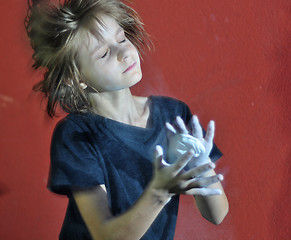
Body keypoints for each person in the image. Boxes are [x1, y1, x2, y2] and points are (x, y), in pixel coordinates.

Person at [25, 0, 229, 239]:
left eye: (121, 39)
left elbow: (217, 215)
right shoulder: (76, 135)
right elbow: (105, 235)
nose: (124, 52)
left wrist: (201, 167)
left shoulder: (173, 116)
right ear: (75, 78)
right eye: (103, 53)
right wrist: (160, 191)